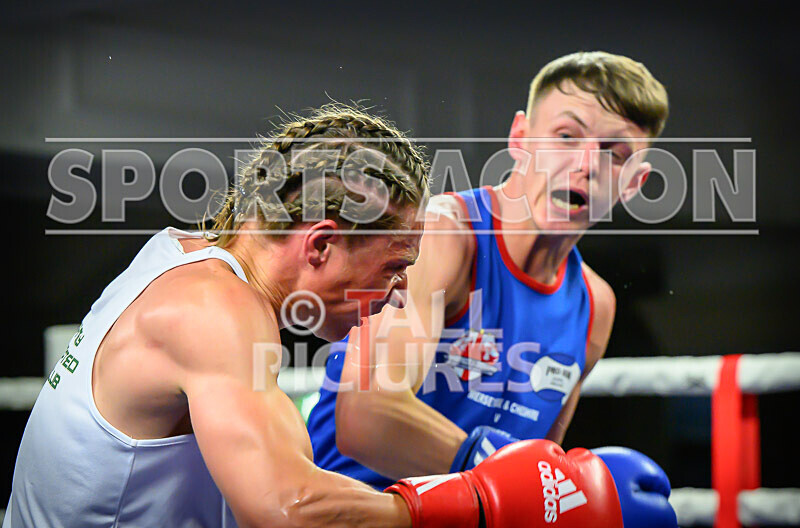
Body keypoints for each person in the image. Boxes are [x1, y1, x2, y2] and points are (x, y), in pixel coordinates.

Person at [3, 104, 658, 528]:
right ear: (319, 244)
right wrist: (485, 502)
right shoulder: (211, 310)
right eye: (393, 268)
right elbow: (290, 510)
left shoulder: (184, 251)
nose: (399, 293)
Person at [307, 51, 673, 499]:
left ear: (634, 183)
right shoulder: (444, 235)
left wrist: (558, 500)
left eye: (615, 154)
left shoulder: (596, 305)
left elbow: (538, 472)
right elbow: (367, 417)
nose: (585, 166)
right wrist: (515, 482)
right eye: (566, 136)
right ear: (520, 138)